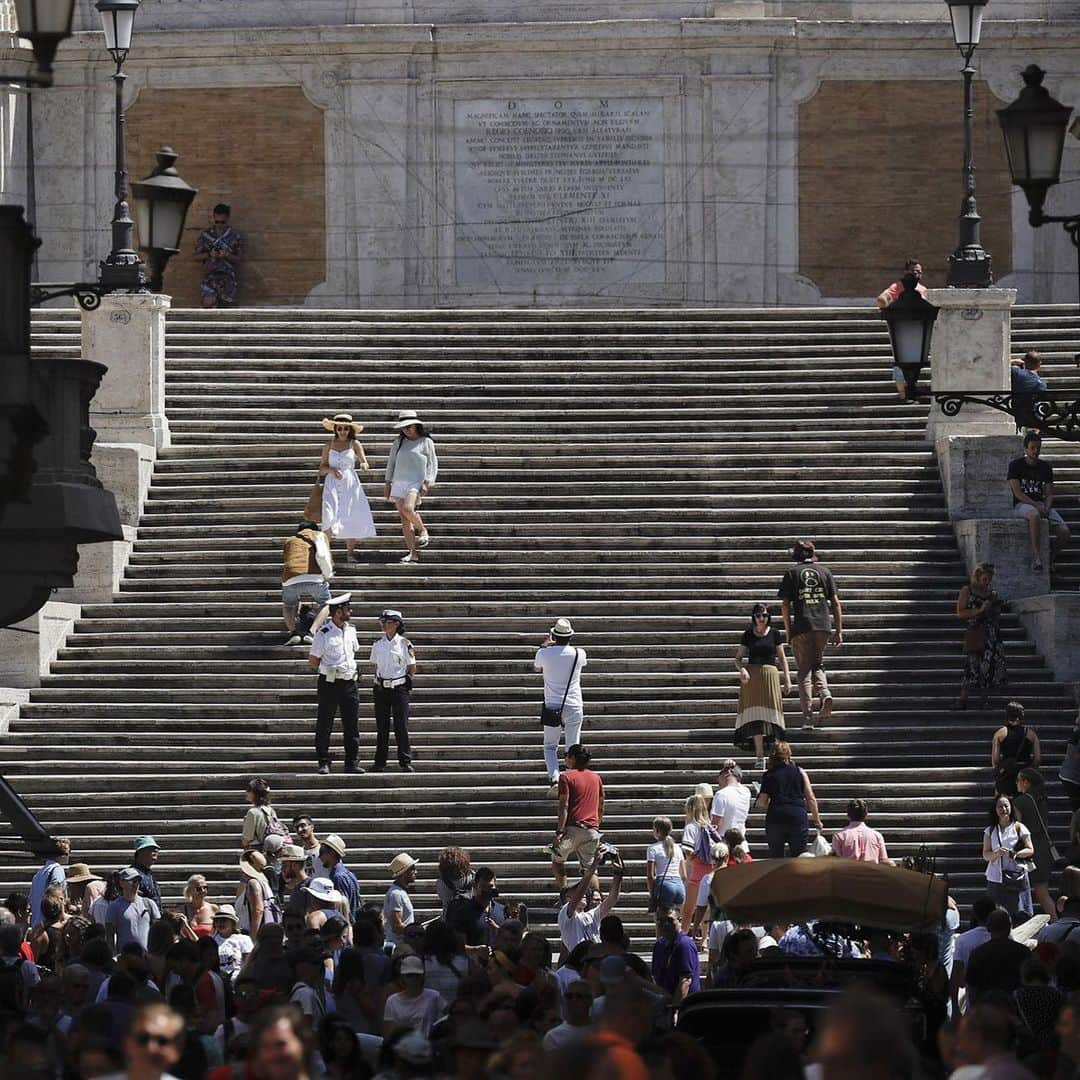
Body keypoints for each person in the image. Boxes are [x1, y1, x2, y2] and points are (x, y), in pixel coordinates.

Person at [777, 539, 842, 730]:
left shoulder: (791, 574)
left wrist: (788, 631)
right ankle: (824, 693)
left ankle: (807, 717)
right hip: (823, 625)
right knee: (817, 664)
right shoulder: (825, 572)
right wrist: (839, 630)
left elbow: (784, 605)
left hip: (802, 626)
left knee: (804, 671)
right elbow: (836, 603)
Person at [307, 592, 362, 775]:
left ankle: (351, 762)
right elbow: (313, 660)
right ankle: (324, 761)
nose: (350, 611)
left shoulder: (352, 630)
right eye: (347, 609)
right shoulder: (324, 633)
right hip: (330, 682)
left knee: (351, 724)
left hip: (349, 682)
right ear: (338, 612)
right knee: (325, 723)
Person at [733, 604, 791, 768]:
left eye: (764, 615)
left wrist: (787, 678)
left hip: (770, 676)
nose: (761, 619)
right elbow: (737, 658)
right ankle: (760, 757)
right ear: (754, 617)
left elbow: (782, 658)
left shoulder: (774, 633)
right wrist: (742, 669)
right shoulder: (748, 634)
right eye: (758, 616)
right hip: (752, 677)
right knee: (756, 717)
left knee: (773, 716)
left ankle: (779, 756)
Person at [534, 617, 587, 790]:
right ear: (570, 636)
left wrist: (545, 645)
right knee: (573, 746)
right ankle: (572, 780)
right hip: (574, 704)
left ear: (554, 636)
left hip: (552, 706)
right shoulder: (580, 653)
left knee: (550, 746)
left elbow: (536, 668)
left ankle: (555, 779)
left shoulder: (544, 654)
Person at [1008, 431, 1071, 572]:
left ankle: (1050, 558)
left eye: (1038, 448)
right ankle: (1036, 556)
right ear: (1026, 449)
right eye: (1032, 448)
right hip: (1021, 505)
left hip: (1041, 504)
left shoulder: (1045, 467)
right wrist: (1036, 505)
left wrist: (1047, 507)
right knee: (1034, 515)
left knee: (1065, 532)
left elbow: (1049, 493)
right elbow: (1017, 493)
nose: (1036, 451)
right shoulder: (1015, 465)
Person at [384, 409, 438, 564]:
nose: (406, 430)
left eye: (409, 426)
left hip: (416, 481)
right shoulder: (399, 442)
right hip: (399, 481)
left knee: (408, 509)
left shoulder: (426, 442)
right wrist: (388, 482)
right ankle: (412, 553)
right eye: (404, 427)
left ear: (416, 425)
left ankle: (422, 529)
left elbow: (432, 464)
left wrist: (428, 482)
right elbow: (391, 463)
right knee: (405, 519)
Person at [318, 413, 375, 560]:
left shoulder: (355, 444)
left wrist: (363, 464)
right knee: (329, 514)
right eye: (340, 428)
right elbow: (322, 467)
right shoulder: (328, 444)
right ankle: (325, 554)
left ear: (350, 430)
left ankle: (350, 553)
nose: (343, 431)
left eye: (346, 429)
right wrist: (330, 470)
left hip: (349, 483)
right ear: (335, 429)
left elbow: (364, 460)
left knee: (351, 515)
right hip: (332, 483)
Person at [755, 741, 823, 858]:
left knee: (776, 857)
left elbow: (762, 802)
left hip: (776, 816)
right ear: (788, 754)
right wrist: (817, 820)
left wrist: (758, 796)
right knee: (799, 856)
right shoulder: (800, 771)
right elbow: (810, 798)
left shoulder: (769, 775)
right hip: (797, 816)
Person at [550, 744, 604, 889]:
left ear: (573, 758)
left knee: (556, 858)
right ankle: (595, 900)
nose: (565, 759)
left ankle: (564, 894)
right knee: (590, 869)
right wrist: (597, 824)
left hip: (572, 833)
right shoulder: (596, 778)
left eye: (567, 756)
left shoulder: (566, 777)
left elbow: (564, 805)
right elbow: (600, 804)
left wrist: (559, 832)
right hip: (592, 832)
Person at [955, 563, 1006, 711]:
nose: (987, 581)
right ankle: (963, 700)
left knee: (988, 667)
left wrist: (994, 609)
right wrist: (979, 610)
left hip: (991, 634)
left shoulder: (992, 593)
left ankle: (984, 701)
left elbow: (996, 616)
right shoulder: (967, 590)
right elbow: (960, 612)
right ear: (978, 576)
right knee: (971, 666)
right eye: (985, 578)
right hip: (975, 631)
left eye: (990, 578)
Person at [369, 608, 415, 772]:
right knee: (382, 727)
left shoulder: (404, 643)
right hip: (382, 687)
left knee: (401, 725)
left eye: (387, 622)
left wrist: (407, 681)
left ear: (396, 624)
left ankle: (405, 760)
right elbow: (375, 665)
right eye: (382, 622)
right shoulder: (377, 644)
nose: (384, 626)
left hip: (399, 687)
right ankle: (380, 762)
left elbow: (411, 666)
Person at [556, 847, 623, 952]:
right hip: (581, 962)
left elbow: (612, 899)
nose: (583, 893)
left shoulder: (591, 915)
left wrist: (618, 874)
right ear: (567, 897)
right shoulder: (565, 914)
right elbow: (579, 893)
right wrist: (594, 864)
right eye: (575, 890)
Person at [280, 518, 333, 646]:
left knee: (288, 606)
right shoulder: (319, 535)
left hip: (290, 577)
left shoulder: (290, 540)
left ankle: (293, 632)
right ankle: (312, 632)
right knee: (326, 604)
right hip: (314, 576)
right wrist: (328, 573)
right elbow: (324, 555)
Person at [983, 794, 1035, 920]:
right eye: (1000, 807)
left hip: (1015, 877)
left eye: (1006, 806)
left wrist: (1017, 854)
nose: (1003, 809)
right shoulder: (990, 831)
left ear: (1011, 807)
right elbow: (985, 854)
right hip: (995, 878)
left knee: (1018, 912)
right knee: (995, 913)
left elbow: (1030, 849)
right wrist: (996, 854)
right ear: (995, 810)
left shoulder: (1019, 827)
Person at [1014, 767, 1056, 920]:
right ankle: (1056, 922)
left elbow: (1015, 827)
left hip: (1029, 849)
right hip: (1043, 847)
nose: (1016, 783)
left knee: (1020, 891)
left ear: (1026, 782)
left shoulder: (1021, 801)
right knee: (1043, 892)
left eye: (1018, 780)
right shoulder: (1042, 799)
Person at [964, 910, 1030, 1006]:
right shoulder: (1024, 952)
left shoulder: (978, 954)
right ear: (1009, 927)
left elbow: (972, 990)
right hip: (1015, 1009)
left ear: (988, 928)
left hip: (987, 1011)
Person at [383, 954, 446, 1038]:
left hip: (427, 1046)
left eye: (417, 975)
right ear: (402, 977)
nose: (413, 979)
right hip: (403, 1048)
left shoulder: (434, 996)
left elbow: (449, 1015)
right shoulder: (392, 1001)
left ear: (422, 975)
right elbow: (389, 1032)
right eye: (409, 975)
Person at [195, 203, 243, 308]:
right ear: (213, 217)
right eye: (217, 222)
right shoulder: (206, 235)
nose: (219, 225)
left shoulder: (235, 236)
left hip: (228, 277)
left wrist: (227, 255)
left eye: (223, 222)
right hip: (210, 276)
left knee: (227, 307)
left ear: (228, 218)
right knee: (208, 303)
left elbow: (239, 258)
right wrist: (209, 254)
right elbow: (196, 257)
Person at [992, 701, 1041, 796]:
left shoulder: (999, 733)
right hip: (1024, 777)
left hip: (1006, 776)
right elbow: (1038, 759)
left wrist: (1003, 769)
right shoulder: (1031, 734)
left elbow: (995, 761)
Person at [105, 868, 160, 953]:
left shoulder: (149, 904)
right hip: (125, 959)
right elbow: (109, 936)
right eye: (131, 881)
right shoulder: (114, 907)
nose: (135, 884)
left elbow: (158, 931)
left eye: (137, 881)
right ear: (121, 883)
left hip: (146, 958)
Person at [650, 912, 700, 1005]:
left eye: (669, 920)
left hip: (685, 1005)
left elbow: (685, 981)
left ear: (680, 921)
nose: (665, 924)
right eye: (661, 921)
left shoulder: (684, 945)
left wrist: (675, 1009)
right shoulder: (659, 945)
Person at [830, 799, 894, 864]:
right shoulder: (877, 836)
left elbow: (836, 862)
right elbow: (883, 861)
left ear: (848, 815)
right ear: (866, 814)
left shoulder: (839, 836)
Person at [645, 817, 686, 913]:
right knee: (675, 919)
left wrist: (652, 894)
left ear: (657, 831)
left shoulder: (652, 848)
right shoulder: (678, 848)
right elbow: (684, 875)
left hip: (664, 885)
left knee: (661, 919)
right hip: (679, 886)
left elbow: (650, 876)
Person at [318, 835, 360, 924]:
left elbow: (342, 908)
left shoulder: (338, 877)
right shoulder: (348, 874)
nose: (319, 857)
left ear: (332, 853)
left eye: (322, 852)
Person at [543, 977, 593, 1051]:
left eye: (579, 996)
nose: (573, 1000)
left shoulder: (601, 1032)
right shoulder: (553, 1037)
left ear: (589, 1001)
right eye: (569, 996)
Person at [28, 837, 69, 926]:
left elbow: (31, 900)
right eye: (67, 853)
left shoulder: (39, 873)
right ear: (62, 854)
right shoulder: (57, 869)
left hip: (37, 923)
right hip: (50, 924)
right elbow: (57, 897)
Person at [383, 853, 418, 949]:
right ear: (404, 873)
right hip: (399, 947)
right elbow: (396, 926)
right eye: (413, 869)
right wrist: (416, 931)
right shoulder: (396, 894)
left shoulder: (400, 892)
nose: (416, 872)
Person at [711, 761, 751, 839]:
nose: (718, 781)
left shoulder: (721, 794)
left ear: (727, 774)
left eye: (719, 775)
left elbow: (716, 823)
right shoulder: (746, 792)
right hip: (741, 840)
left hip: (724, 840)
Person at [1011, 349, 1048, 431]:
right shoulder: (1041, 383)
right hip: (1030, 416)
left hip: (1012, 411)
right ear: (1039, 364)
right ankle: (1034, 434)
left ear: (1024, 362)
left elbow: (1000, 366)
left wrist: (1013, 361)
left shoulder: (1015, 372)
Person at [129, 837, 163, 908]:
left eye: (156, 851)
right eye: (151, 850)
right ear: (140, 852)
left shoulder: (148, 873)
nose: (155, 853)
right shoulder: (132, 874)